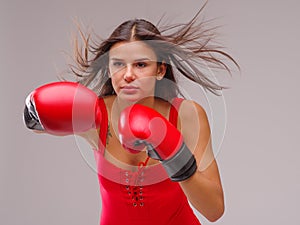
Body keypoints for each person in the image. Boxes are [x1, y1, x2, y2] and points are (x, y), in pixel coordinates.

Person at [23, 5, 238, 225]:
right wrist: (36, 108)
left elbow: (214, 210)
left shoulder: (186, 116)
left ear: (160, 70)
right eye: (118, 64)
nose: (127, 75)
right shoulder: (95, 116)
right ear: (108, 69)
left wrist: (174, 153)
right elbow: (35, 122)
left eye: (141, 64)